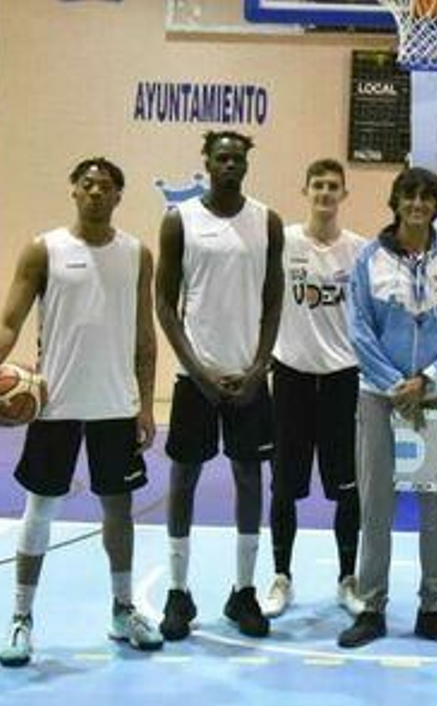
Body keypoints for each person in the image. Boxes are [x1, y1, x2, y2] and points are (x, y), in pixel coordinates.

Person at [0, 157, 160, 667]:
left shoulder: (137, 254)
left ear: (119, 196)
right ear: (73, 191)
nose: (96, 192)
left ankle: (123, 610)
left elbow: (145, 334)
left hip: (116, 405)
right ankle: (21, 617)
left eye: (106, 186)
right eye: (87, 184)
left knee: (118, 510)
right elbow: (9, 321)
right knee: (41, 507)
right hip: (54, 404)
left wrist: (145, 402)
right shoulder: (44, 249)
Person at [338, 167, 437, 649]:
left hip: (436, 399)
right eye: (409, 196)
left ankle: (433, 609)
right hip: (382, 399)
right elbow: (359, 328)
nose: (418, 204)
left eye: (427, 197)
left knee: (435, 508)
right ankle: (371, 607)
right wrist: (395, 383)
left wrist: (430, 380)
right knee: (376, 507)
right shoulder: (368, 260)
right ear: (395, 201)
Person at [156, 130, 285, 640]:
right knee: (183, 480)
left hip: (249, 377)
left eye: (238, 158)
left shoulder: (267, 221)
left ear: (246, 165)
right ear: (206, 163)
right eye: (221, 157)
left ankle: (244, 590)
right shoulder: (180, 221)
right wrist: (199, 369)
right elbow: (165, 304)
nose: (229, 165)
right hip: (196, 379)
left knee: (251, 479)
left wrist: (259, 367)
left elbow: (275, 301)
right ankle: (178, 591)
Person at [265, 159, 365, 618]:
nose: (325, 193)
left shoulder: (360, 252)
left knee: (348, 487)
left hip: (344, 379)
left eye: (333, 187)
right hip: (291, 377)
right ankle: (281, 576)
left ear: (344, 195)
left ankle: (348, 578)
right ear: (305, 189)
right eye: (318, 185)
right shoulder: (282, 242)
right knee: (285, 487)